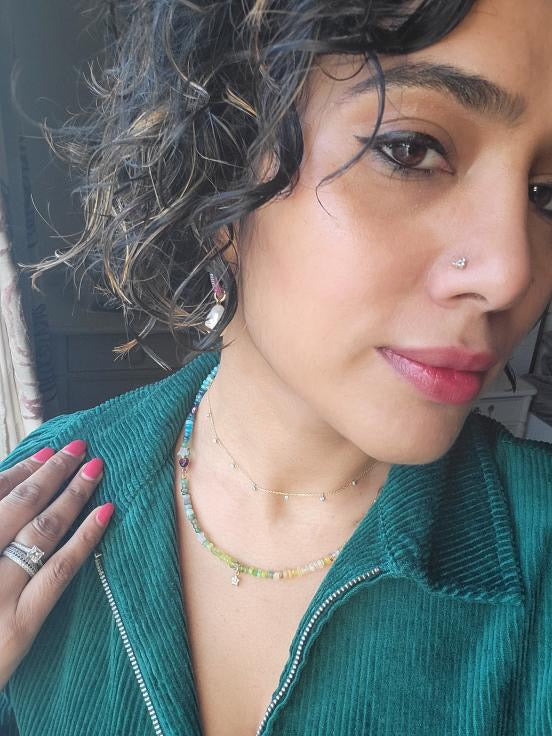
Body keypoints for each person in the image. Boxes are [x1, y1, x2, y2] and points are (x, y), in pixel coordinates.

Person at [1, 0, 552, 733]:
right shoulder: (34, 506)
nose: (513, 273)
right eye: (411, 150)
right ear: (220, 160)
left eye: (547, 196)